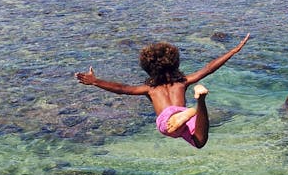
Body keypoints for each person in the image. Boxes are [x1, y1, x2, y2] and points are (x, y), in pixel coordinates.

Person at [75, 34, 250, 149]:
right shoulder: (182, 82)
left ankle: (190, 110)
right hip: (183, 118)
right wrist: (233, 51)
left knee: (190, 138)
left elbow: (122, 89)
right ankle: (200, 101)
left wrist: (95, 81)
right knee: (200, 141)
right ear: (175, 63)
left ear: (148, 68)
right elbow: (209, 68)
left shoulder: (150, 89)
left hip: (168, 123)